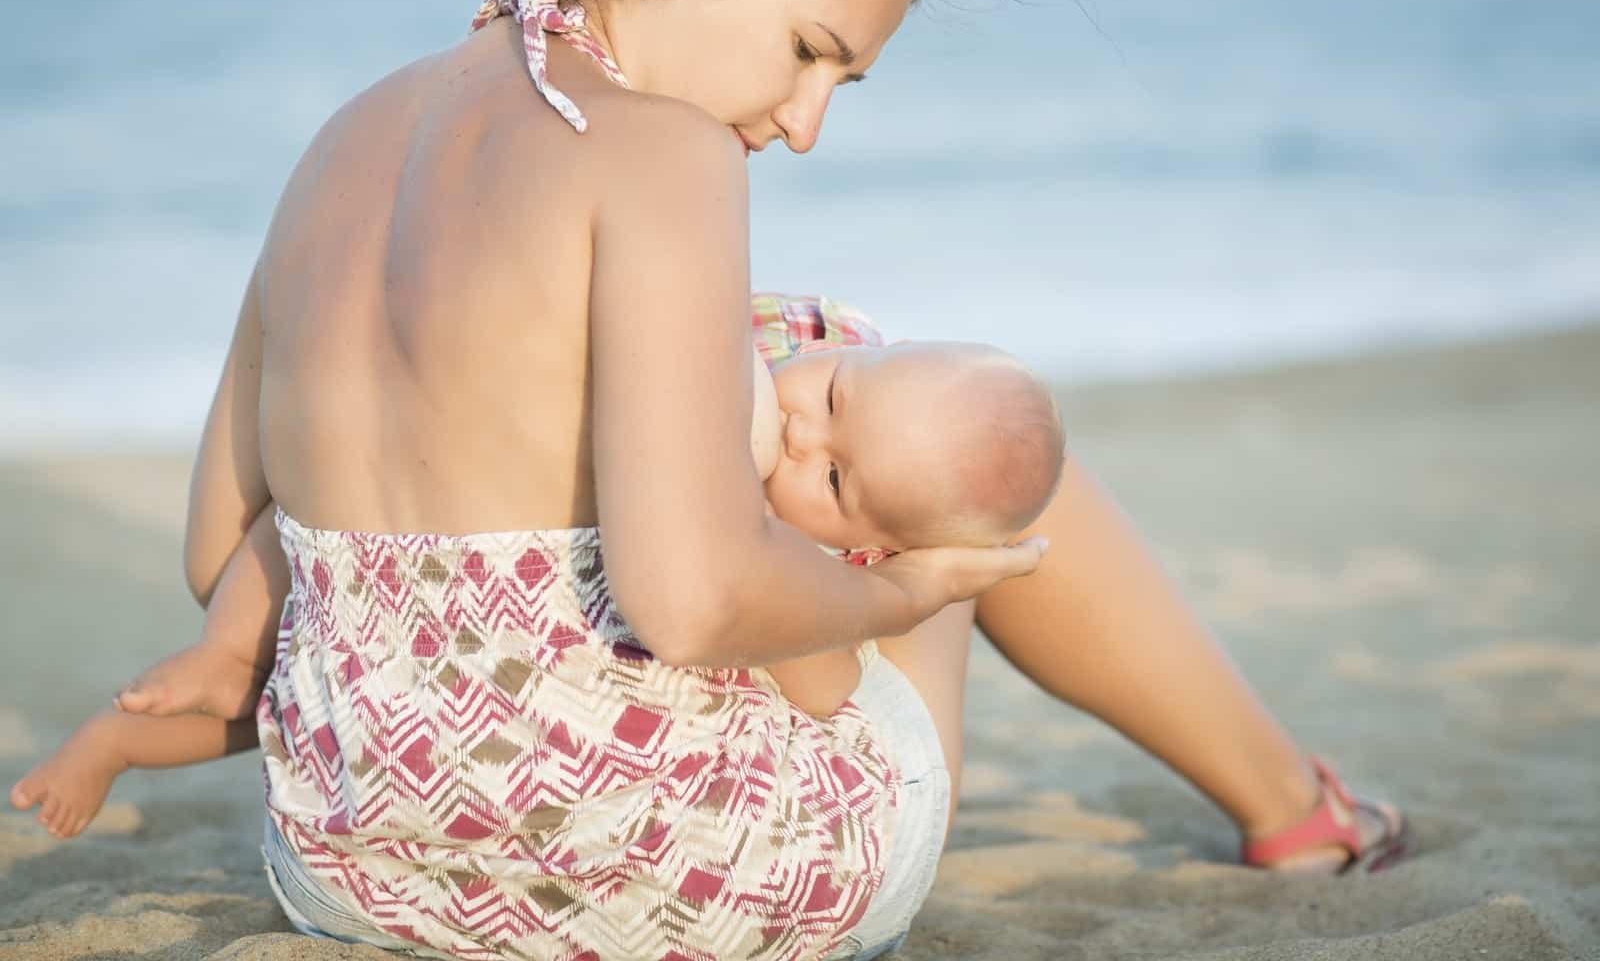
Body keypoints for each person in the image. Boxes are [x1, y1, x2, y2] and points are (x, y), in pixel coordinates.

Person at [11, 0, 1407, 959]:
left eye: (836, 88)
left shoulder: (349, 132)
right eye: (809, 53)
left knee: (804, 383)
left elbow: (223, 551)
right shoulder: (656, 149)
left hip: (353, 872)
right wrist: (911, 585)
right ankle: (1292, 811)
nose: (804, 126)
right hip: (672, 880)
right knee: (905, 414)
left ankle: (1285, 794)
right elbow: (686, 606)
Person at [11, 294, 1067, 824]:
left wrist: (833, 582)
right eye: (831, 397)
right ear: (843, 348)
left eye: (833, 481)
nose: (801, 438)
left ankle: (120, 741)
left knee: (286, 714)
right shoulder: (731, 384)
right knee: (293, 568)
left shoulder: (814, 566)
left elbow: (826, 686)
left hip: (558, 718)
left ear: (865, 541)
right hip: (450, 627)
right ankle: (203, 660)